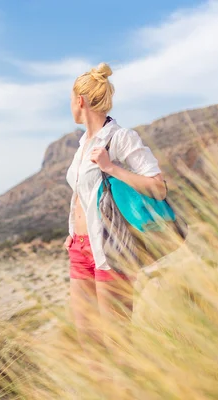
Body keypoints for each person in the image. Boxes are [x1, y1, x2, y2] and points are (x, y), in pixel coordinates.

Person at [64, 63, 167, 350]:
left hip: (112, 247)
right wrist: (72, 231)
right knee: (90, 343)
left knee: (118, 343)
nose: (70, 107)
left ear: (80, 101)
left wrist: (111, 167)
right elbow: (81, 192)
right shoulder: (83, 143)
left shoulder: (121, 138)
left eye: (71, 101)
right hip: (80, 248)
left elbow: (158, 187)